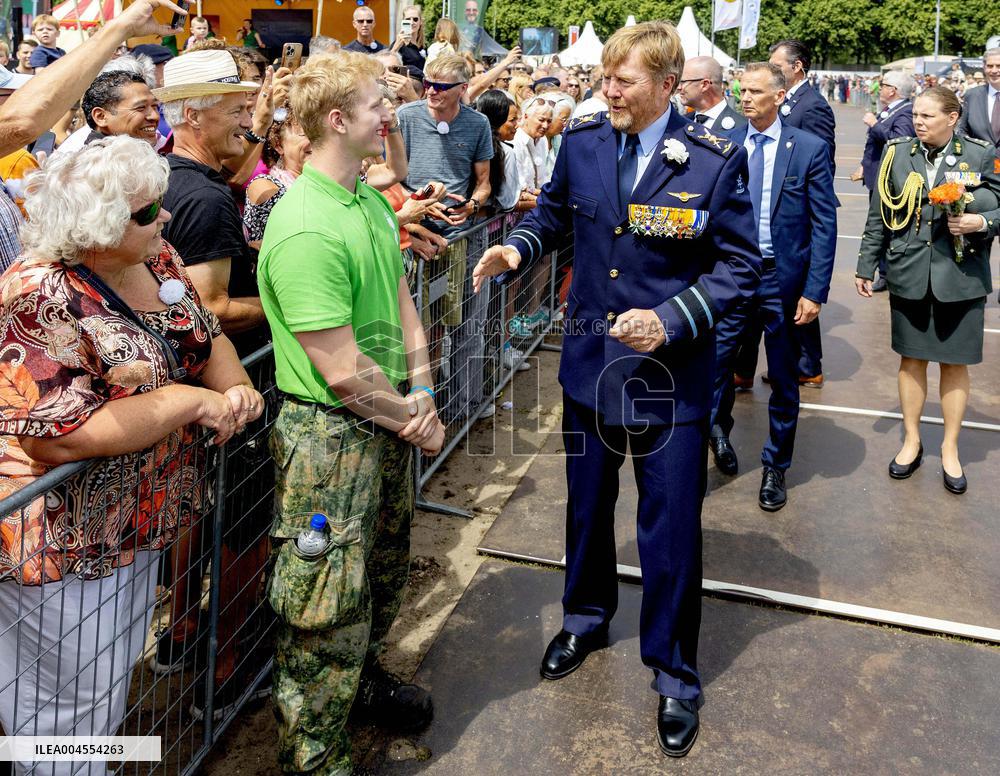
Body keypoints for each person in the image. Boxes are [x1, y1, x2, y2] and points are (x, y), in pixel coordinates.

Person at [473, 21, 761, 758]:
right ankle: (585, 617)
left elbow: (738, 269)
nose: (608, 91)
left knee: (668, 529)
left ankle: (672, 672)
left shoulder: (714, 161)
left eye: (623, 81)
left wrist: (670, 320)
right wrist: (515, 247)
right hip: (589, 367)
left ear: (668, 86)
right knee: (588, 505)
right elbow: (555, 216)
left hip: (671, 378)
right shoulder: (585, 141)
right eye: (605, 78)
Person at [0, 135, 262, 776]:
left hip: (136, 521)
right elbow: (55, 434)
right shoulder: (39, 294)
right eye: (147, 211)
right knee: (59, 707)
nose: (164, 218)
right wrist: (188, 405)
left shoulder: (156, 258)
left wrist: (234, 388)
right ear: (97, 225)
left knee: (103, 685)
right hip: (62, 541)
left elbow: (203, 331)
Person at [256, 50, 443, 776]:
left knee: (383, 570)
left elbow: (402, 306)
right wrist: (412, 415)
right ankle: (315, 755)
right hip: (331, 440)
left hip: (388, 418)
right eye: (376, 105)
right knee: (323, 607)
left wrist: (422, 394)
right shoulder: (303, 225)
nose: (390, 115)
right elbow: (339, 373)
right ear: (338, 120)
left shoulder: (364, 198)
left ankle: (360, 688)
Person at [153, 49, 274, 718]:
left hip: (198, 400)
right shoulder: (200, 196)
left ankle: (184, 630)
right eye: (236, 109)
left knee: (198, 517)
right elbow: (208, 307)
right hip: (227, 397)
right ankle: (223, 661)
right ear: (193, 115)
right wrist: (289, 310)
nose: (249, 125)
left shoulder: (176, 179)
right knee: (238, 522)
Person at [856, 86, 1000, 495]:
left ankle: (951, 449)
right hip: (910, 273)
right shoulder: (899, 152)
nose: (918, 122)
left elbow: (999, 203)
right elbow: (879, 214)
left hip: (961, 276)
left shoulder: (979, 153)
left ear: (952, 118)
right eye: (916, 114)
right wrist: (867, 264)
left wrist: (981, 223)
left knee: (955, 365)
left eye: (927, 116)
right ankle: (912, 441)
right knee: (912, 361)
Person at [709, 63, 837, 511]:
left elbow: (825, 224)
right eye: (741, 90)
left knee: (783, 378)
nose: (745, 98)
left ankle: (775, 466)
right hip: (731, 276)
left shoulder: (808, 148)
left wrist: (815, 290)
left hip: (782, 280)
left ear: (780, 96)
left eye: (756, 91)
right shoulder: (722, 145)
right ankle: (716, 434)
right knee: (716, 365)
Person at [768, 39, 836, 387]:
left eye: (777, 64)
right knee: (789, 293)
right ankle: (804, 362)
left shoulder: (812, 106)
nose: (772, 68)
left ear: (798, 67)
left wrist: (803, 199)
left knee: (798, 288)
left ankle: (808, 364)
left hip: (800, 210)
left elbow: (823, 158)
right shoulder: (791, 100)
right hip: (785, 208)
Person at [854, 70, 916, 292]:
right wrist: (864, 165)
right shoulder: (892, 110)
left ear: (894, 90)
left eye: (883, 84)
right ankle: (884, 272)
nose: (879, 88)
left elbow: (899, 141)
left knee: (884, 227)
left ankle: (886, 274)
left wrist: (874, 124)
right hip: (877, 175)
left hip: (889, 179)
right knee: (878, 225)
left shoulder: (906, 112)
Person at [244, 110, 311, 248]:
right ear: (278, 145)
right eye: (305, 133)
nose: (315, 140)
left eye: (319, 133)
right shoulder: (265, 186)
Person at [677, 55, 747, 132]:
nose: (679, 88)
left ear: (704, 85)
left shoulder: (742, 128)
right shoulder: (681, 123)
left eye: (683, 82)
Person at [957, 47, 1000, 155]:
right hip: (980, 164)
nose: (994, 70)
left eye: (999, 66)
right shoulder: (972, 95)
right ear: (984, 67)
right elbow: (962, 131)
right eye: (990, 66)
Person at [512, 96, 552, 191]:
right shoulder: (515, 141)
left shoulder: (542, 140)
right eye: (541, 120)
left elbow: (544, 177)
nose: (545, 125)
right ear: (526, 116)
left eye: (549, 121)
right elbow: (520, 187)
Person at [393, 4, 426, 71]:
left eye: (415, 19)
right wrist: (395, 48)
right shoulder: (400, 43)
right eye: (408, 19)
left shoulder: (422, 46)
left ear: (421, 22)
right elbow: (387, 64)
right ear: (403, 21)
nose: (411, 22)